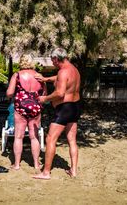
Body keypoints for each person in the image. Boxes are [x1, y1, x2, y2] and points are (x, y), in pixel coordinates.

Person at [33, 47, 81, 180]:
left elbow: (60, 93)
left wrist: (45, 99)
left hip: (64, 109)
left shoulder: (63, 71)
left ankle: (46, 172)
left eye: (52, 60)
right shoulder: (74, 70)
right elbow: (61, 78)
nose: (52, 63)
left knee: (50, 139)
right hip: (75, 107)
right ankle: (74, 170)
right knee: (72, 140)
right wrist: (46, 79)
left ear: (56, 58)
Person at [6, 54, 47, 170]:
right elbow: (44, 94)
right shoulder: (39, 76)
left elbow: (9, 93)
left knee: (18, 137)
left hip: (21, 106)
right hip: (35, 106)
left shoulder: (17, 75)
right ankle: (36, 164)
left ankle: (17, 164)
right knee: (34, 137)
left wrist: (12, 94)